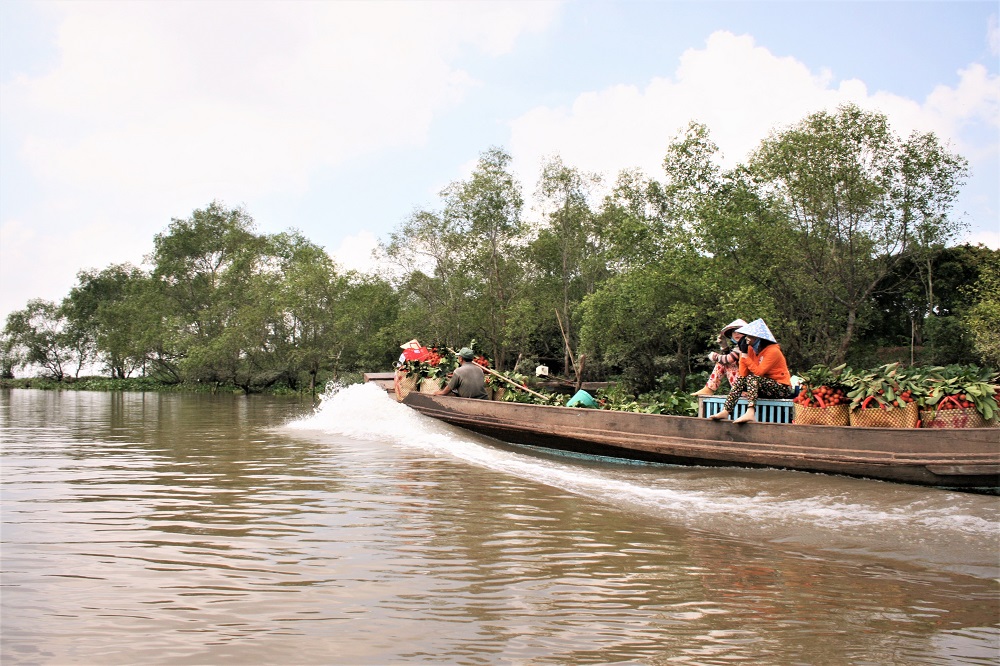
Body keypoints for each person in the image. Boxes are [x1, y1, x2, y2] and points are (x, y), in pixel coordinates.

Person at [709, 319, 793, 424]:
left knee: (752, 378)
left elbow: (759, 372)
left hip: (782, 387)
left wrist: (745, 356)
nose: (747, 339)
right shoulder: (752, 350)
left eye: (749, 336)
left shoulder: (773, 351)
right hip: (764, 386)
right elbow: (743, 374)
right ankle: (726, 410)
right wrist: (743, 353)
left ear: (758, 337)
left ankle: (750, 412)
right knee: (741, 379)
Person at [691, 319, 748, 396]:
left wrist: (715, 356)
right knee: (723, 362)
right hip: (744, 383)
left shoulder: (746, 344)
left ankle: (709, 389)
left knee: (721, 363)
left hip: (748, 384)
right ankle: (709, 389)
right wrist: (724, 346)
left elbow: (729, 359)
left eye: (740, 331)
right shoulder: (741, 344)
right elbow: (731, 360)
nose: (736, 333)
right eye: (734, 331)